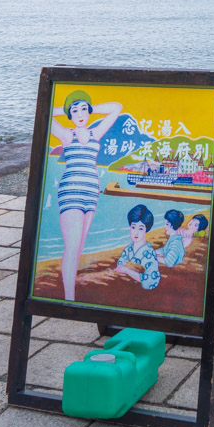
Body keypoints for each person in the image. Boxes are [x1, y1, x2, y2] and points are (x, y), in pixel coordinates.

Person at [50, 90, 122, 301]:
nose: (80, 114)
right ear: (69, 114)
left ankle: (70, 293)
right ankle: (69, 299)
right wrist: (66, 110)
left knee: (79, 246)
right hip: (71, 191)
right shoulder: (66, 134)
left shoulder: (95, 133)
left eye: (84, 109)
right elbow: (46, 114)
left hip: (91, 193)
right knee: (71, 247)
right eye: (75, 110)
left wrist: (90, 106)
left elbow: (116, 107)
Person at [114, 204, 161, 290]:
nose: (136, 232)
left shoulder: (149, 253)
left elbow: (151, 281)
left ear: (146, 230)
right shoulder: (128, 249)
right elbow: (120, 265)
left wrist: (127, 271)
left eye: (141, 228)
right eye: (133, 227)